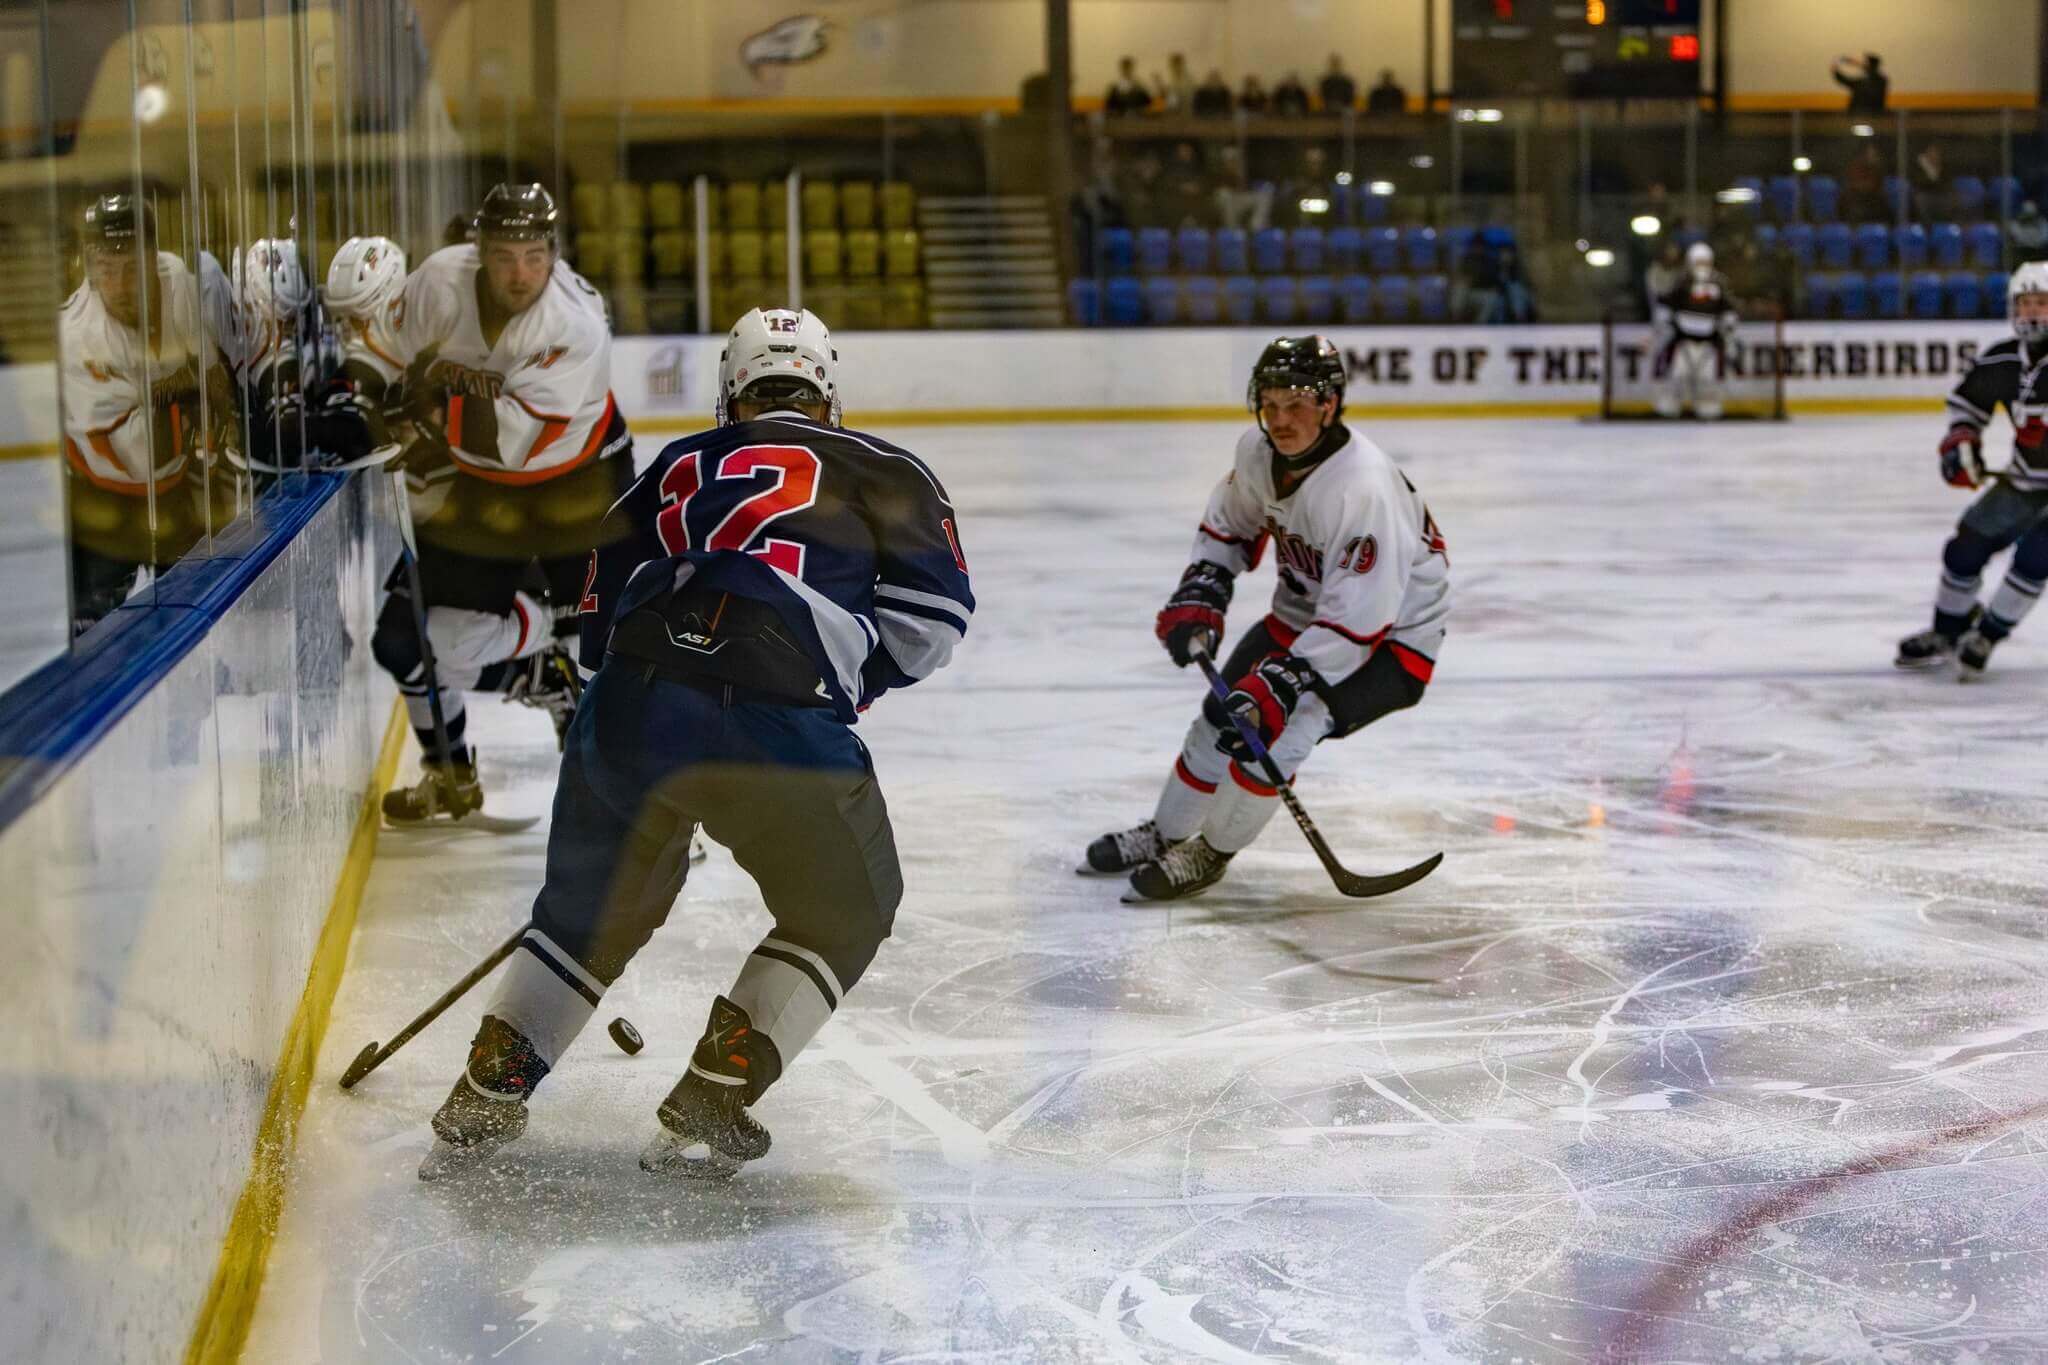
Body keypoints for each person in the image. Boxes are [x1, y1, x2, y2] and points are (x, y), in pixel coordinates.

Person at [417, 307, 974, 1179]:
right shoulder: (888, 466)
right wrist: (837, 677)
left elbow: (595, 619)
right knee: (850, 906)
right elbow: (931, 622)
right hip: (776, 713)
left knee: (586, 913)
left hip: (630, 705)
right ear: (827, 393)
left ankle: (490, 1084)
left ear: (731, 393)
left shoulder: (676, 463)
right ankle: (718, 1082)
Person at [1081, 336, 1450, 901]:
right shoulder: (1256, 454)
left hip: (1392, 642)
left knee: (1280, 733)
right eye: (1271, 404)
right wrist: (1206, 587)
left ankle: (1210, 854)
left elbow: (1362, 618)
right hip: (1302, 615)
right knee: (1217, 718)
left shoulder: (1364, 488)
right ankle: (1167, 834)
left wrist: (1283, 680)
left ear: (1329, 405)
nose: (1280, 419)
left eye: (1296, 403)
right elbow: (1229, 527)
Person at [343, 183, 633, 823]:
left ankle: (632, 812)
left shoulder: (573, 327)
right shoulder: (443, 278)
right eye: (504, 255)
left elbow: (504, 447)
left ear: (554, 253)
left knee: (607, 657)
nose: (520, 273)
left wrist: (417, 407)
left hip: (579, 485)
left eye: (534, 255)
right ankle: (456, 766)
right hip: (485, 488)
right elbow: (383, 350)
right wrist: (361, 397)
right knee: (406, 640)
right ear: (478, 250)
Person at [58, 194, 242, 634]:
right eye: (106, 267)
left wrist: (225, 424)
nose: (120, 285)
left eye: (131, 267)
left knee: (204, 628)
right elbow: (142, 457)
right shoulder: (75, 335)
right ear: (87, 264)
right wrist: (184, 385)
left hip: (173, 496)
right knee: (102, 647)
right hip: (104, 513)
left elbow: (211, 370)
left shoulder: (173, 276)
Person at [1895, 264, 2048, 679]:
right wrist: (1961, 445)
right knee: (1965, 548)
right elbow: (1968, 409)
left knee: (2036, 557)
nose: (2033, 313)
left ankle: (1988, 634)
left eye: (2042, 303)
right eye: (2026, 303)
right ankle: (1947, 631)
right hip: (2024, 480)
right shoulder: (2002, 358)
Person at [1653, 242, 1738, 419]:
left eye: (1705, 262)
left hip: (1709, 340)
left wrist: (1729, 322)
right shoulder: (1680, 281)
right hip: (1683, 339)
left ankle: (1708, 405)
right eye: (1698, 262)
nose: (1702, 266)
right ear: (1690, 262)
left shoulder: (1719, 283)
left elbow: (1728, 307)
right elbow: (1666, 303)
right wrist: (1665, 321)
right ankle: (1670, 404)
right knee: (1678, 374)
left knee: (1707, 378)